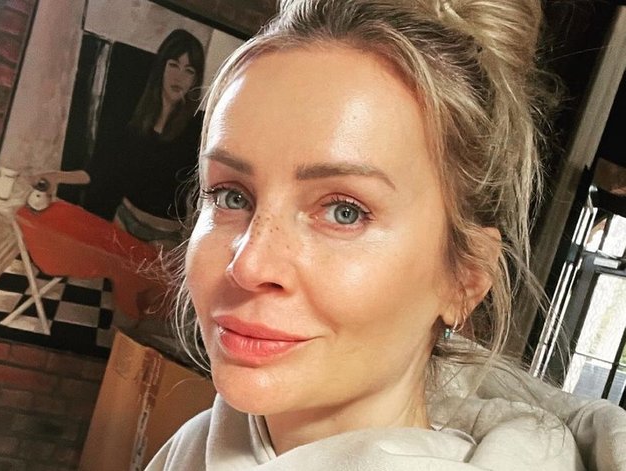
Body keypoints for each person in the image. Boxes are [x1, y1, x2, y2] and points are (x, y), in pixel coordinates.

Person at [147, 0, 626, 469]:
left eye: (344, 212)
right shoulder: (190, 449)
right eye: (231, 196)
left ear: (466, 277)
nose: (249, 265)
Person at [84, 29, 205, 248]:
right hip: (124, 219)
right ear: (162, 67)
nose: (179, 76)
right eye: (173, 65)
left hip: (163, 236)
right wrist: (57, 177)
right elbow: (101, 167)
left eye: (189, 71)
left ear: (195, 79)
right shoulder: (137, 114)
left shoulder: (198, 129)